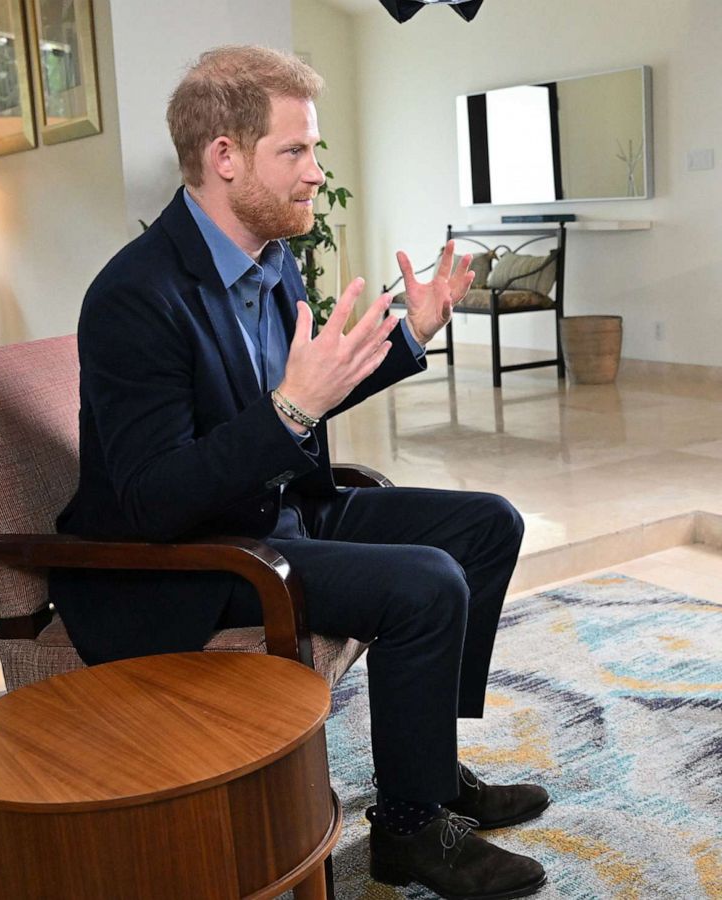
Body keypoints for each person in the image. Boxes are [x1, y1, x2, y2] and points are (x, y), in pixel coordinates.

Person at [52, 46, 547, 900]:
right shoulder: (137, 295)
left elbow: (301, 397)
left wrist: (411, 336)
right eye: (296, 152)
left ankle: (433, 770)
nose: (317, 173)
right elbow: (151, 500)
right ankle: (409, 833)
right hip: (200, 555)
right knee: (425, 584)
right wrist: (288, 409)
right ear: (224, 157)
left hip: (276, 509)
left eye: (314, 152)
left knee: (486, 523)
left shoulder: (270, 259)